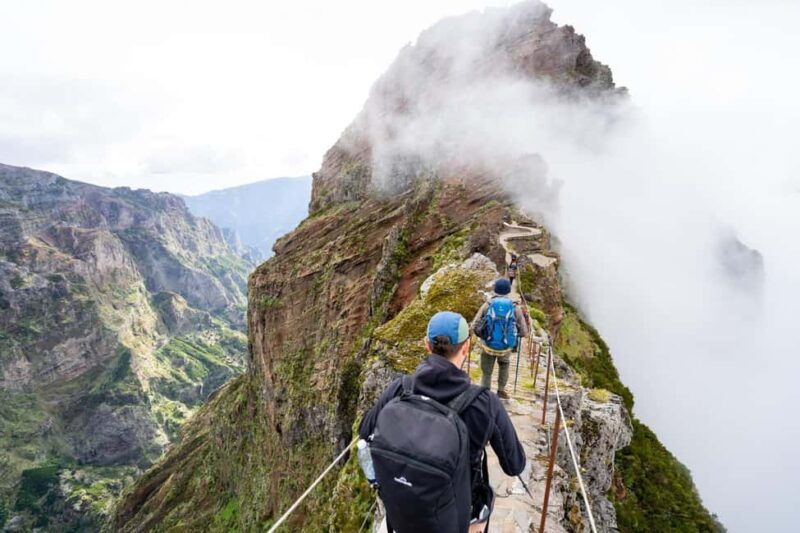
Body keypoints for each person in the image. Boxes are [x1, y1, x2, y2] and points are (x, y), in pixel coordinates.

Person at [358, 311, 526, 533]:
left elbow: (365, 430)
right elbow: (514, 465)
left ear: (427, 345)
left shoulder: (400, 388)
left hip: (403, 510)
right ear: (466, 347)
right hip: (459, 518)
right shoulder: (485, 403)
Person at [471, 278, 529, 399]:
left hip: (488, 344)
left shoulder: (488, 305)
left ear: (495, 290)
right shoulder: (514, 308)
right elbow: (524, 332)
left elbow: (475, 324)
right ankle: (501, 390)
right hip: (505, 346)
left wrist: (478, 334)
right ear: (508, 291)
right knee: (504, 365)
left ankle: (485, 392)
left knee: (486, 370)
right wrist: (515, 335)